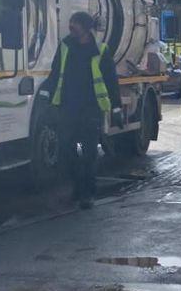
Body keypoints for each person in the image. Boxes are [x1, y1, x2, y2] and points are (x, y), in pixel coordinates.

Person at [40, 12, 123, 209]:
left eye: (74, 24)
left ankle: (87, 193)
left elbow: (111, 81)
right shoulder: (65, 46)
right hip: (67, 107)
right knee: (66, 152)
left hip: (91, 109)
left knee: (89, 154)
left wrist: (117, 107)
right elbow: (55, 73)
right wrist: (45, 95)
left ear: (85, 28)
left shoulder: (101, 50)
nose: (71, 27)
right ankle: (78, 186)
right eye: (70, 24)